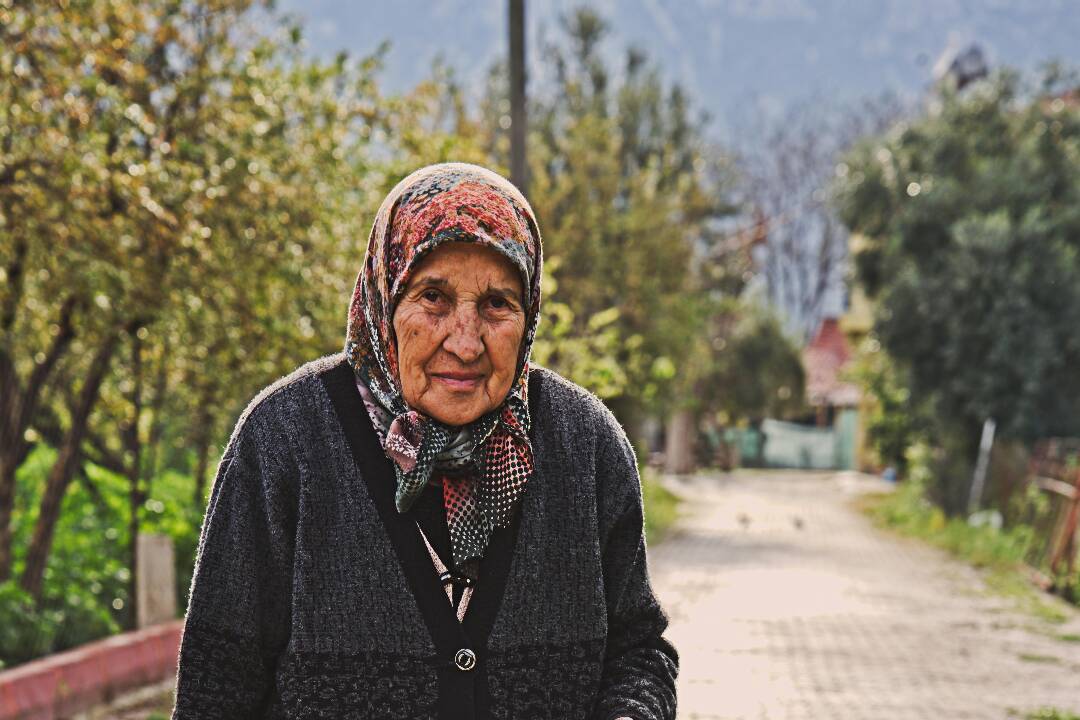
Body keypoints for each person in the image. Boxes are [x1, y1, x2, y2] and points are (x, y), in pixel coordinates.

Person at [171, 163, 678, 720]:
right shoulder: (284, 441)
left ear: (528, 313)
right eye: (433, 297)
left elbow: (638, 649)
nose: (465, 343)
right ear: (385, 299)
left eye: (495, 304)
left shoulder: (587, 446)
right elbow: (216, 686)